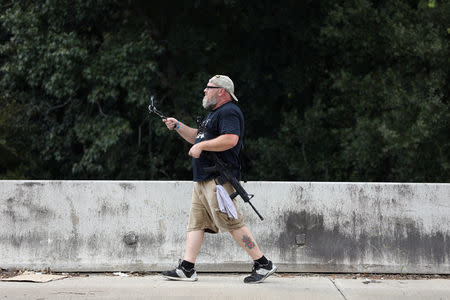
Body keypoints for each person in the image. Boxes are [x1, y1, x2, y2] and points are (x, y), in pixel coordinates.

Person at [161, 75, 277, 284]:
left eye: (209, 87)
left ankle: (263, 263)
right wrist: (178, 126)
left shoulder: (229, 111)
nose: (204, 91)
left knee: (232, 223)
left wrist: (202, 146)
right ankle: (187, 268)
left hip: (217, 181)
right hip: (203, 180)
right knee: (196, 224)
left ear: (221, 91)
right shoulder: (213, 115)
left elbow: (230, 139)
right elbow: (197, 137)